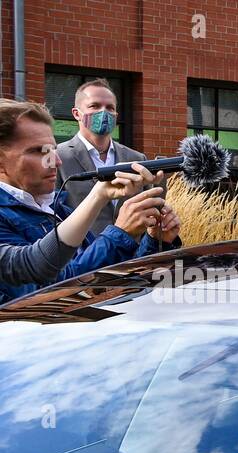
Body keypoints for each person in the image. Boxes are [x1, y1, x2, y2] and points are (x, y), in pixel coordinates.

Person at [0, 100, 177, 304]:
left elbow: (109, 278)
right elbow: (57, 294)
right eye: (39, 151)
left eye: (53, 149)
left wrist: (154, 239)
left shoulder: (56, 209)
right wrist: (121, 232)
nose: (56, 161)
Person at [54, 78, 151, 236]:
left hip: (132, 255)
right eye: (95, 106)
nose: (104, 112)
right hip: (83, 256)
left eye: (110, 108)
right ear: (76, 113)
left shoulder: (136, 158)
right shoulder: (58, 157)